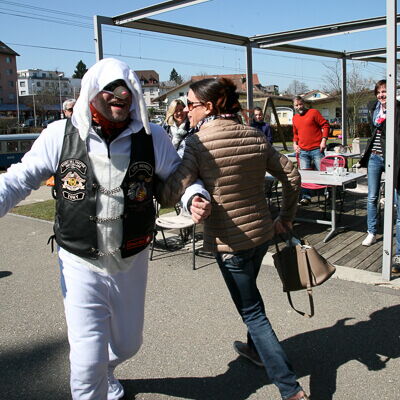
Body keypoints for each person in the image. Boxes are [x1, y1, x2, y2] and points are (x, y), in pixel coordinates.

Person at [0, 58, 211, 400]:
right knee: (86, 360)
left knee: (128, 344)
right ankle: (94, 380)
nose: (119, 97)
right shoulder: (59, 134)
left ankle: (106, 370)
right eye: (110, 90)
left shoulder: (152, 136)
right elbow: (18, 180)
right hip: (79, 260)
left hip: (131, 259)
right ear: (91, 91)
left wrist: (194, 197)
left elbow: (178, 177)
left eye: (126, 92)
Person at [158, 78, 308, 400]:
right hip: (261, 235)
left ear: (209, 106)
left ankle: (290, 389)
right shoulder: (255, 135)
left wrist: (164, 183)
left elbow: (170, 193)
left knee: (252, 312)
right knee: (251, 296)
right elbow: (292, 175)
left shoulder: (197, 143)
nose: (188, 111)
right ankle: (255, 350)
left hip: (230, 243)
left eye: (191, 105)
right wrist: (286, 216)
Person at [359, 80, 400, 273]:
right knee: (372, 197)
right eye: (379, 92)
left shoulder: (397, 109)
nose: (382, 95)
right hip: (375, 157)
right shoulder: (374, 109)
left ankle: (398, 251)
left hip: (393, 158)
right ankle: (372, 231)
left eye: (385, 91)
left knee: (397, 202)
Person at [292, 96, 330, 205]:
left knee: (323, 173)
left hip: (317, 149)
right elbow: (295, 133)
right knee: (305, 176)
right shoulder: (295, 118)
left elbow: (325, 125)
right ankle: (306, 197)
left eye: (300, 104)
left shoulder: (313, 112)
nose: (299, 107)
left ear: (304, 103)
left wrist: (324, 140)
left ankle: (327, 195)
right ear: (294, 106)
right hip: (303, 151)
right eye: (296, 105)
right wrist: (295, 144)